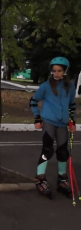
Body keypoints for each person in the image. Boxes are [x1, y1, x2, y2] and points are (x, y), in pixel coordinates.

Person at [30, 57, 76, 198]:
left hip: (62, 124)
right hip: (49, 122)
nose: (56, 73)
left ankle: (62, 179)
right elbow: (33, 101)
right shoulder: (45, 86)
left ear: (65, 71)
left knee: (63, 152)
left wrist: (72, 121)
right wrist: (37, 118)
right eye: (54, 71)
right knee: (47, 150)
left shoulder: (70, 86)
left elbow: (72, 106)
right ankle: (40, 178)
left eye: (59, 71)